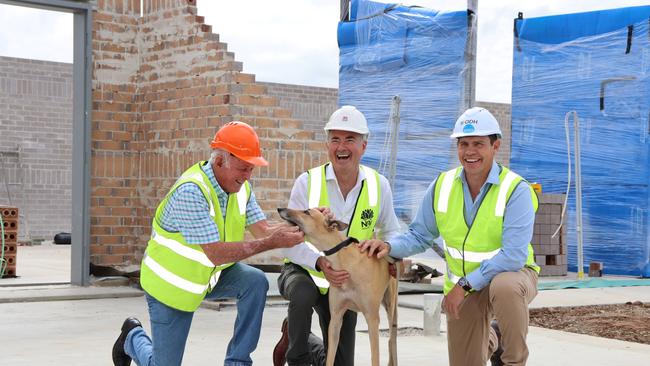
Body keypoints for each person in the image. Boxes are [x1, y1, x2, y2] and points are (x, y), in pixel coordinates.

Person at [112, 121, 305, 366]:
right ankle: (132, 337)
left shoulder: (241, 189)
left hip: (209, 277)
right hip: (171, 287)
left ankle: (237, 361)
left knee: (255, 282)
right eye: (244, 168)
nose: (248, 177)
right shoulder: (192, 191)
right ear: (220, 161)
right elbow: (214, 253)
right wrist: (270, 243)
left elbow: (264, 230)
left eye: (251, 169)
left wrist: (308, 222)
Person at [360, 107, 540, 366]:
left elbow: (512, 256)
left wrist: (464, 285)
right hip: (466, 289)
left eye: (478, 144)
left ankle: (513, 361)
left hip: (511, 276)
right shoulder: (442, 185)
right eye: (463, 144)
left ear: (495, 145)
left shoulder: (516, 190)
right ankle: (492, 337)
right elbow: (419, 235)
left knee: (505, 286)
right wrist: (389, 246)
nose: (470, 152)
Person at [273, 105, 401, 366]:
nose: (341, 147)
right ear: (328, 145)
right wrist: (321, 263)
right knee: (302, 293)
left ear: (363, 146)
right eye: (335, 139)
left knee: (342, 361)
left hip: (348, 281)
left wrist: (389, 248)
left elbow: (392, 231)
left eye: (350, 140)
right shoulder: (307, 182)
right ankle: (296, 355)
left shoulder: (379, 186)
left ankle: (306, 342)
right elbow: (289, 241)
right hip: (305, 272)